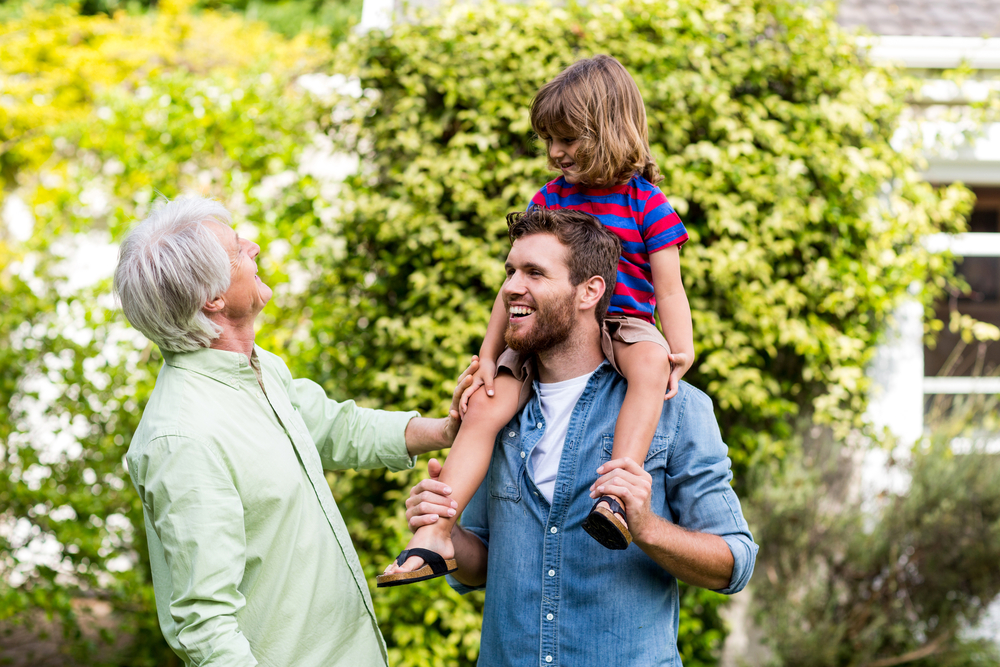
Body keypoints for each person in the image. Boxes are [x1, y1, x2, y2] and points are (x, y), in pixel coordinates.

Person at [113, 197, 474, 666]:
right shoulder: (182, 439)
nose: (255, 247)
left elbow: (337, 427)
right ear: (213, 298)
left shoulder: (259, 370)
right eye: (237, 250)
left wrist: (446, 429)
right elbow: (205, 627)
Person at [379, 54, 693, 584]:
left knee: (651, 367)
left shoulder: (647, 203)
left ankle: (616, 494)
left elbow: (670, 286)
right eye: (548, 139)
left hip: (624, 323)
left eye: (567, 138)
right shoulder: (549, 200)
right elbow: (515, 289)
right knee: (483, 404)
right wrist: (486, 355)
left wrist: (679, 348)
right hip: (549, 329)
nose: (555, 152)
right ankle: (433, 535)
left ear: (608, 129)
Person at [403, 207, 757, 665]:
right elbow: (481, 562)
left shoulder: (676, 406)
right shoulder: (493, 409)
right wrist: (447, 540)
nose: (511, 286)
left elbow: (735, 562)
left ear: (590, 290)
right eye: (510, 271)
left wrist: (646, 527)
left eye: (534, 272)